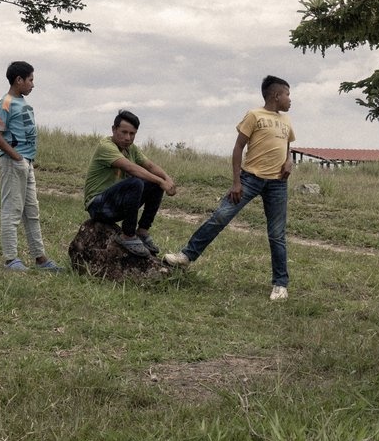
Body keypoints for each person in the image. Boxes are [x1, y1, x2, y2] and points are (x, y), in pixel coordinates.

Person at [164, 76, 295, 300]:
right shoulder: (254, 115)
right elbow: (238, 148)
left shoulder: (287, 121)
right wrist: (236, 182)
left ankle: (280, 285)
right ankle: (186, 256)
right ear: (275, 95)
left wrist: (289, 161)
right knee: (221, 217)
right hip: (250, 179)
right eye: (287, 94)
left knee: (276, 234)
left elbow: (288, 147)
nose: (290, 100)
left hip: (277, 184)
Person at [0, 61, 63, 272]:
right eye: (30, 79)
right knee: (12, 209)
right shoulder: (5, 103)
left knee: (32, 210)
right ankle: (10, 259)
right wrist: (17, 158)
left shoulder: (22, 102)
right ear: (18, 80)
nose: (33, 84)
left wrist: (25, 161)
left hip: (26, 163)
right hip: (14, 163)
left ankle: (40, 258)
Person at [83, 110, 177, 257]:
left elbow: (150, 166)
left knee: (154, 184)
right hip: (98, 206)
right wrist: (160, 180)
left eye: (132, 134)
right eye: (124, 132)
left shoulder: (130, 149)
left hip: (116, 205)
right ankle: (128, 235)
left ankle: (143, 231)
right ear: (114, 129)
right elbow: (131, 168)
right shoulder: (106, 147)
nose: (128, 138)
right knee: (136, 182)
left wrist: (167, 179)